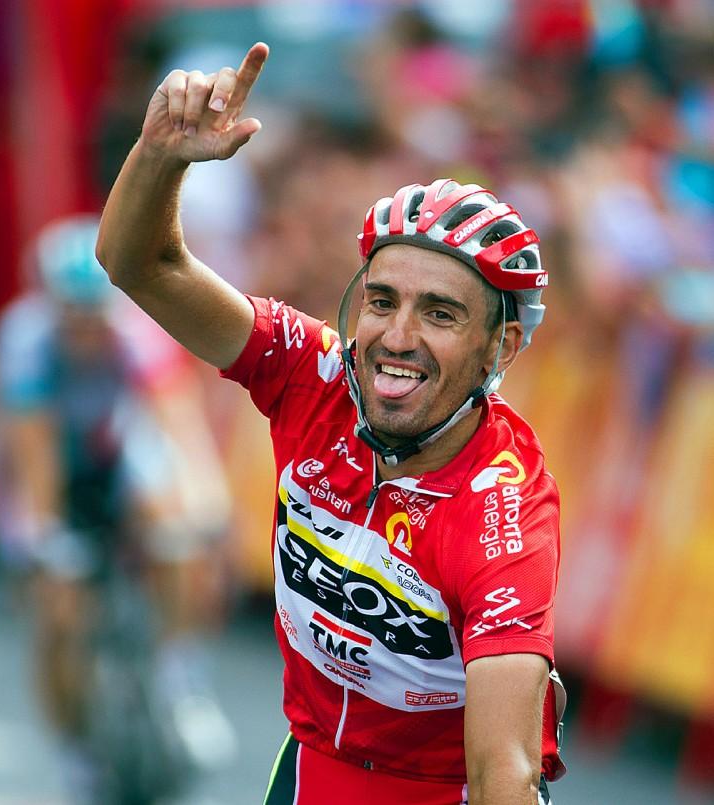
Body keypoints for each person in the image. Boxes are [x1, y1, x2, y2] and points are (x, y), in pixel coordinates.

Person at [96, 42, 567, 805]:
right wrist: (160, 157)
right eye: (382, 300)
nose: (398, 336)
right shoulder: (313, 374)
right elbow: (139, 264)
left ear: (500, 345)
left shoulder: (503, 512)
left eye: (440, 313)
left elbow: (502, 772)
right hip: (311, 766)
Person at [0, 215, 237, 801]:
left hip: (118, 457)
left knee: (177, 524)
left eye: (94, 319)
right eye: (71, 319)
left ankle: (180, 676)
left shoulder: (136, 333)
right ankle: (72, 744)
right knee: (59, 613)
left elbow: (178, 425)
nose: (85, 333)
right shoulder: (25, 341)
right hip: (51, 468)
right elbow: (36, 458)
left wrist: (206, 501)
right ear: (50, 305)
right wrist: (47, 541)